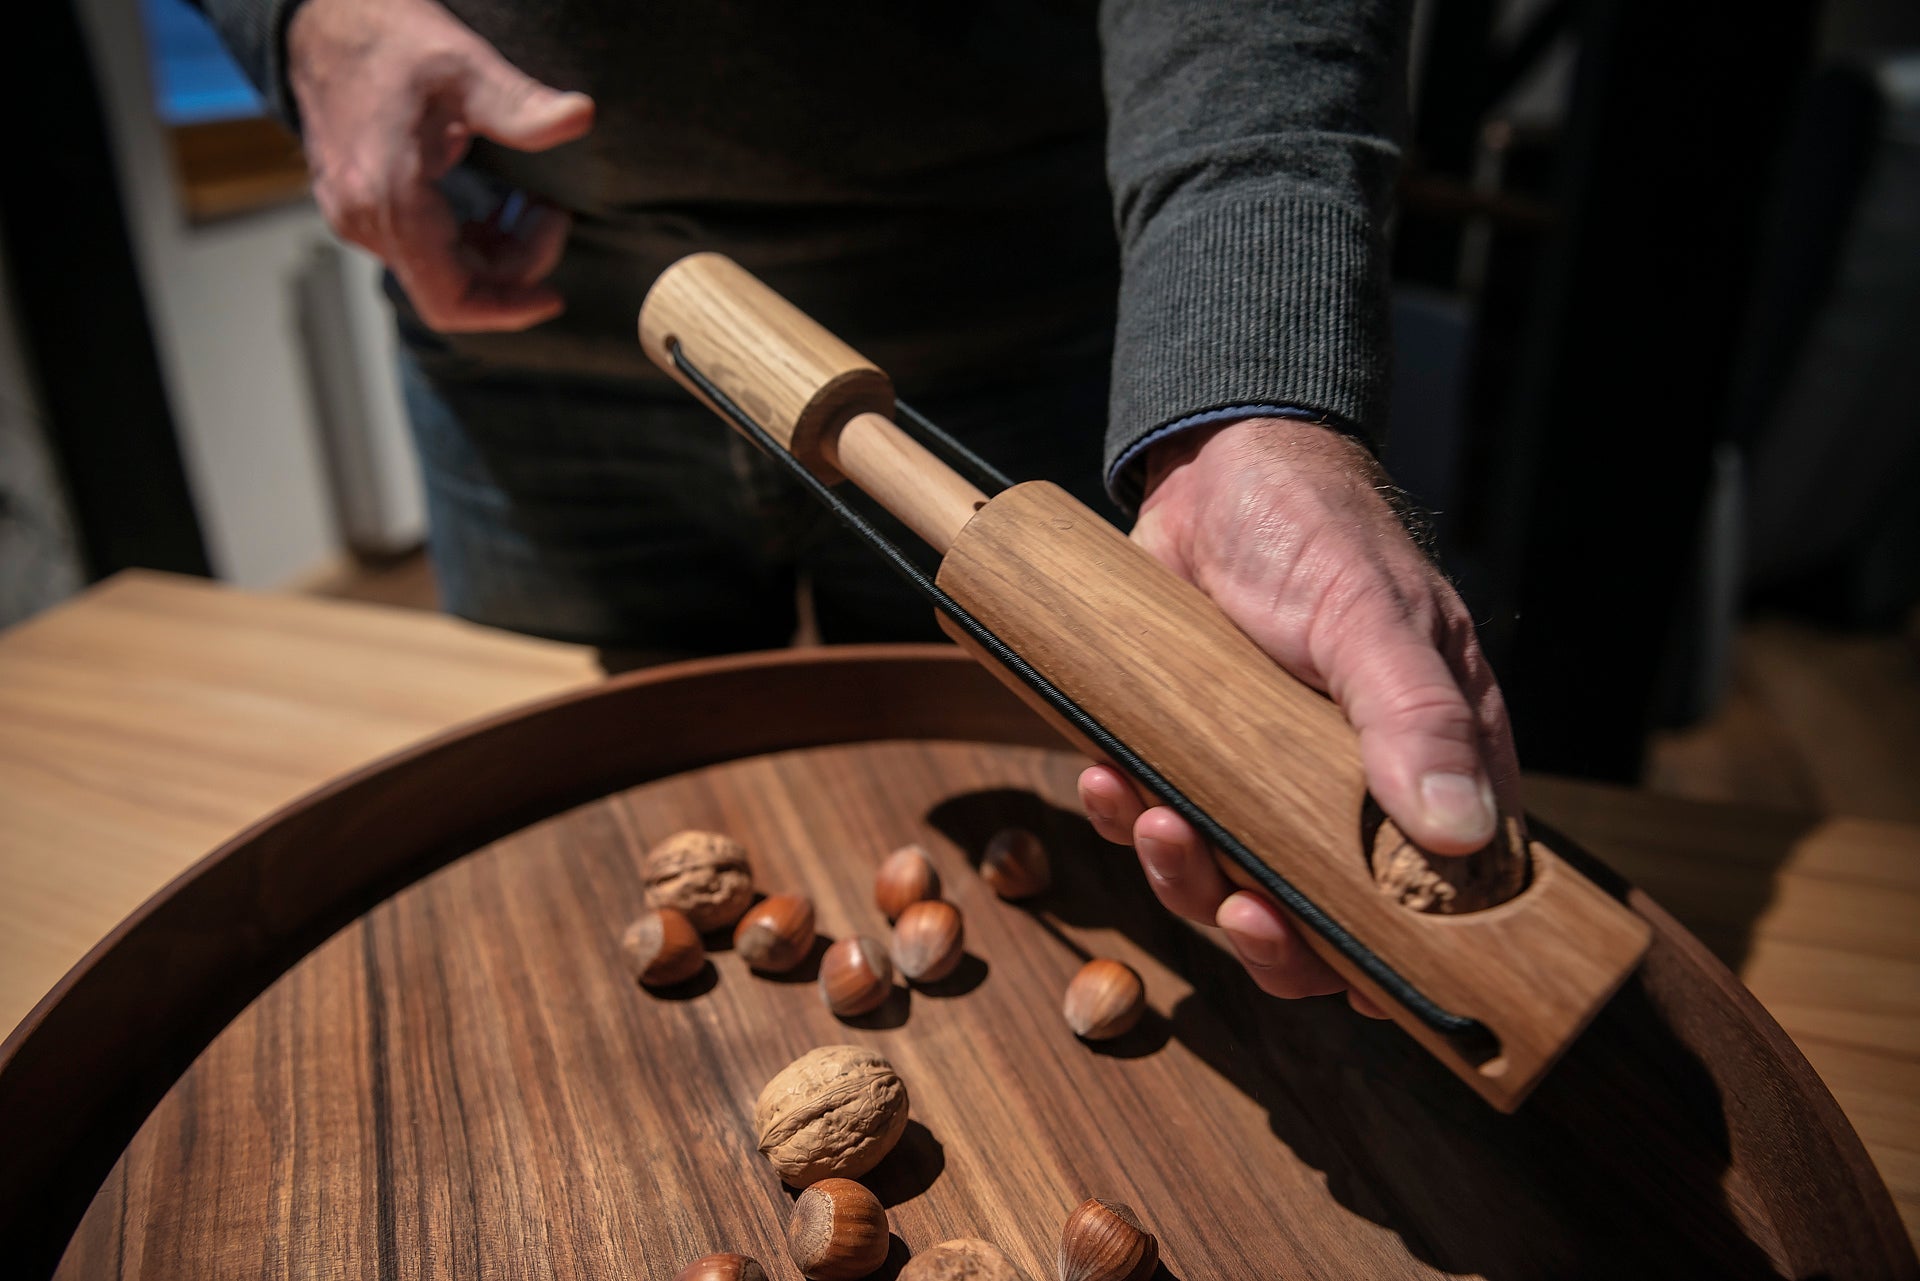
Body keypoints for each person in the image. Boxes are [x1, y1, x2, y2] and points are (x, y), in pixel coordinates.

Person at [196, 0, 1520, 1014]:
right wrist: (302, 19)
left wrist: (1251, 390)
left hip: (1049, 325)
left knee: (1153, 879)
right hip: (519, 303)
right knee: (565, 870)